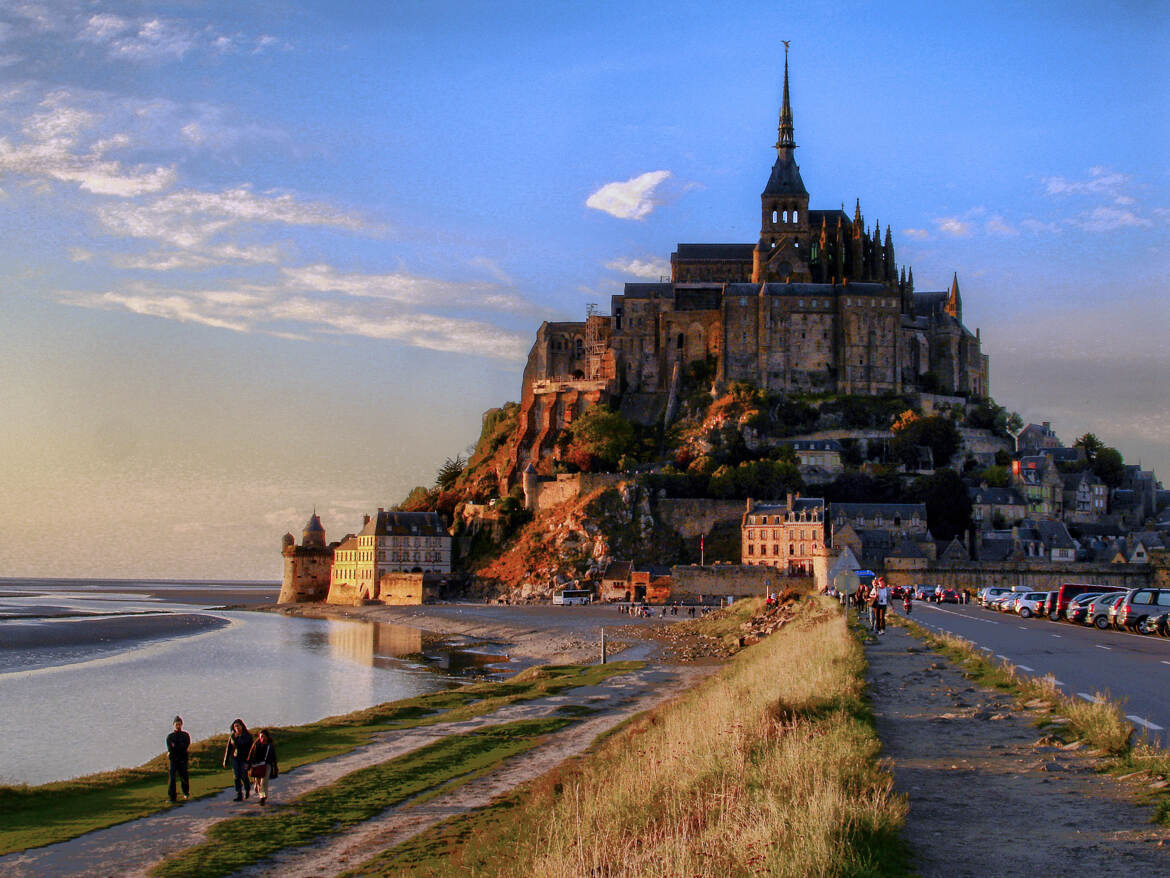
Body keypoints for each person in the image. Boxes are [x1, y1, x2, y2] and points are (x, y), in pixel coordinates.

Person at [222, 719, 253, 802]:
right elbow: (228, 749)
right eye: (235, 726)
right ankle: (239, 794)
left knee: (244, 775)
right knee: (236, 776)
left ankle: (247, 789)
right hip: (235, 758)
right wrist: (225, 760)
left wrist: (249, 762)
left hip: (244, 759)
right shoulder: (232, 737)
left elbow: (251, 750)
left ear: (242, 726)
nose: (237, 728)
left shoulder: (248, 736)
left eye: (238, 726)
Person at [247, 729, 279, 805]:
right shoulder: (256, 744)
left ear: (267, 737)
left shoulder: (270, 746)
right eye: (261, 736)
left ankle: (263, 798)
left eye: (263, 736)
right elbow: (251, 754)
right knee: (258, 782)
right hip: (256, 765)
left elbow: (274, 757)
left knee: (264, 782)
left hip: (266, 765)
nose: (262, 738)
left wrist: (275, 767)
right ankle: (259, 791)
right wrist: (248, 764)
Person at [166, 715, 191, 803]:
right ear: (173, 725)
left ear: (182, 725)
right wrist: (176, 748)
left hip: (183, 759)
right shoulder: (170, 736)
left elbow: (185, 746)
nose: (178, 726)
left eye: (179, 724)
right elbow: (170, 748)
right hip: (173, 760)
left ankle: (186, 793)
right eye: (176, 724)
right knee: (172, 778)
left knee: (184, 776)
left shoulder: (185, 735)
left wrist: (176, 746)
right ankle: (172, 797)